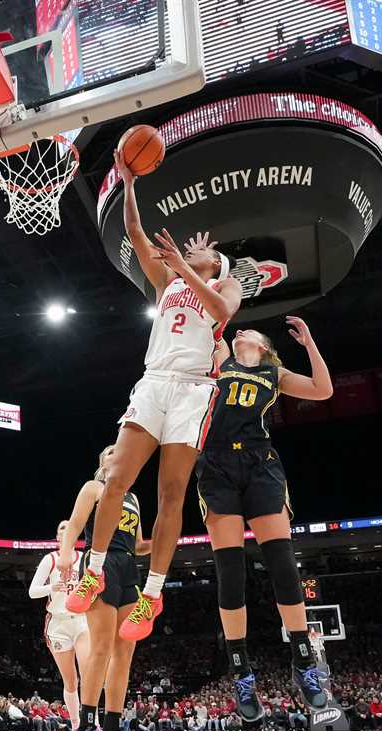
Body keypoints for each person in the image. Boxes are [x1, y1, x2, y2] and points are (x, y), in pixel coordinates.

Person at [66, 144, 242, 645]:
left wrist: (191, 270)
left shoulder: (227, 288)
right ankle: (94, 568)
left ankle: (154, 592)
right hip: (154, 381)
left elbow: (220, 311)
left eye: (205, 250)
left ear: (218, 262)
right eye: (191, 249)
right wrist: (130, 183)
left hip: (194, 391)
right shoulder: (167, 280)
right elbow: (138, 236)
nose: (193, 248)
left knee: (171, 494)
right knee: (115, 478)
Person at [196, 320, 332, 722]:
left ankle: (303, 660)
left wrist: (310, 344)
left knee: (284, 566)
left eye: (248, 332)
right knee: (231, 573)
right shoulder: (220, 357)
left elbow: (323, 390)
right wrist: (204, 266)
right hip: (216, 463)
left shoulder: (275, 373)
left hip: (260, 463)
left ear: (264, 346)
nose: (240, 331)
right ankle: (241, 671)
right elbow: (210, 310)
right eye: (236, 331)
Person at [57, 446, 153, 731]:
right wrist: (67, 555)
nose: (118, 452)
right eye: (111, 451)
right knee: (100, 647)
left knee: (125, 652)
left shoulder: (134, 498)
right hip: (100, 563)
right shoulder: (94, 488)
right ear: (102, 462)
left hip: (127, 565)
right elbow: (74, 524)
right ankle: (85, 729)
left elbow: (138, 545)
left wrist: (165, 540)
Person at [29, 521, 91, 730]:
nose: (66, 531)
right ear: (57, 538)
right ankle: (75, 726)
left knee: (88, 673)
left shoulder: (83, 558)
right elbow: (32, 591)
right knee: (71, 682)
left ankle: (93, 724)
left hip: (82, 620)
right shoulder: (50, 559)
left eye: (70, 528)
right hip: (58, 624)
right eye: (61, 529)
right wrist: (50, 587)